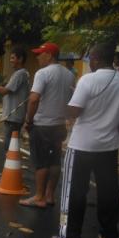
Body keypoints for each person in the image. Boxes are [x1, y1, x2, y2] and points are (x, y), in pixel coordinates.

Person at [50, 43, 119, 238]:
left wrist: (65, 102)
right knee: (109, 192)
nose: (89, 62)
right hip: (109, 147)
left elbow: (75, 112)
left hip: (81, 146)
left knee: (74, 192)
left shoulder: (88, 80)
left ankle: (70, 237)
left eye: (90, 58)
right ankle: (108, 236)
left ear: (96, 59)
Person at [21, 42, 75, 208]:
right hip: (59, 125)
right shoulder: (69, 75)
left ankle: (39, 196)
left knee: (41, 162)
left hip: (42, 125)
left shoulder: (42, 73)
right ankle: (50, 195)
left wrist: (29, 121)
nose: (37, 57)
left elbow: (34, 99)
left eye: (40, 54)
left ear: (49, 55)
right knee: (54, 161)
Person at [0, 46, 30, 152]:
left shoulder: (20, 74)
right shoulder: (22, 73)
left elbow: (5, 91)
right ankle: (10, 165)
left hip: (13, 117)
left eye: (12, 58)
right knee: (11, 145)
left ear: (20, 59)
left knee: (9, 146)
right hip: (14, 116)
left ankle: (9, 166)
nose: (10, 60)